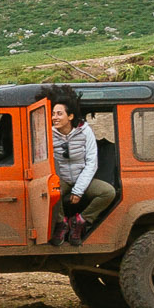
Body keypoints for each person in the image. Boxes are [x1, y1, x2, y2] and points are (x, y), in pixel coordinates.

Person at [51, 98, 117, 245]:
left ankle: (81, 220)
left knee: (108, 192)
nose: (54, 117)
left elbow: (92, 162)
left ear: (70, 116)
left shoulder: (85, 131)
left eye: (59, 114)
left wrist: (78, 190)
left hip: (83, 177)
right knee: (49, 192)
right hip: (61, 178)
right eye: (53, 114)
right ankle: (61, 223)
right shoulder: (49, 134)